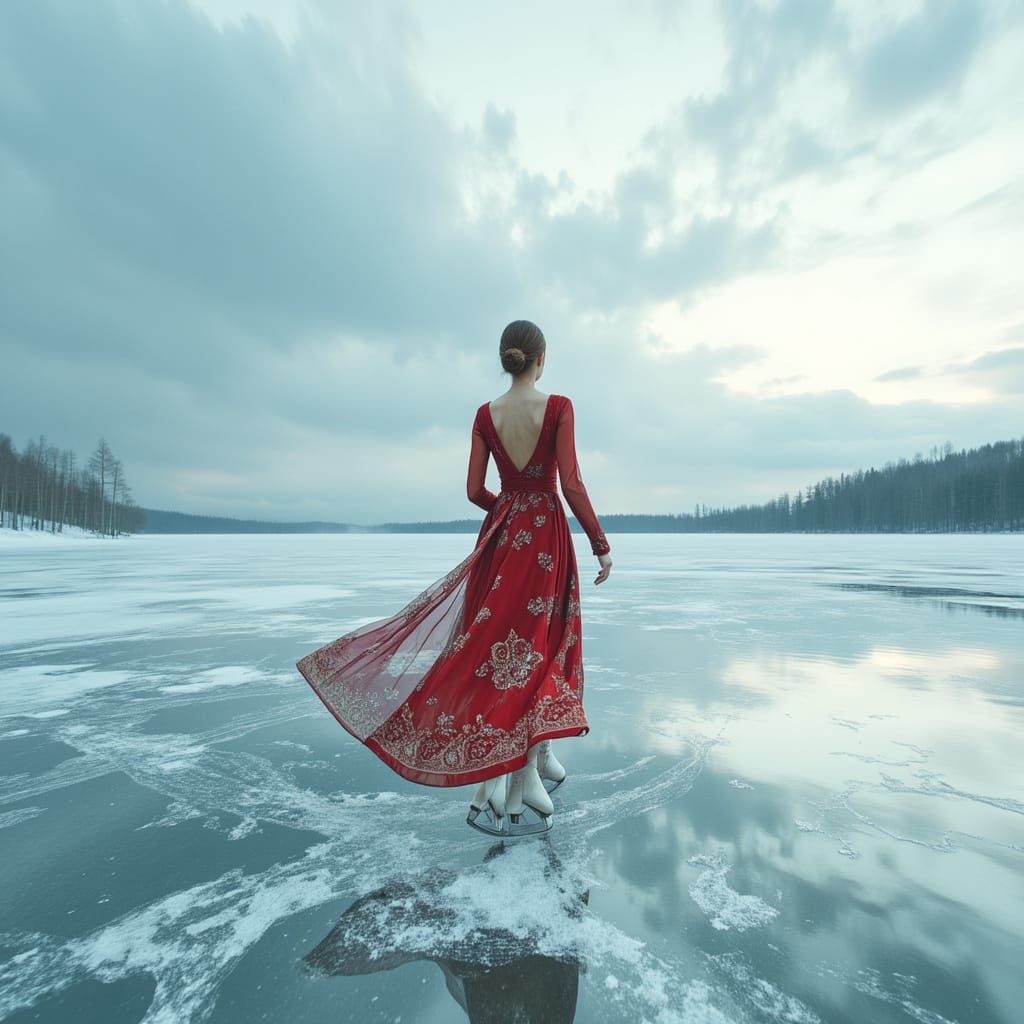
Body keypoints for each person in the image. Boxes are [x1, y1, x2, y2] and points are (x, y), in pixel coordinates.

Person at [296, 320, 613, 837]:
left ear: (506, 358)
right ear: (542, 359)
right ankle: (523, 773)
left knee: (492, 650)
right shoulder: (557, 407)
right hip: (546, 544)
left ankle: (522, 768)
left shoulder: (486, 415)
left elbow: (473, 490)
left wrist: (506, 512)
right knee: (541, 648)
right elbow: (571, 482)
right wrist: (600, 543)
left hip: (502, 540)